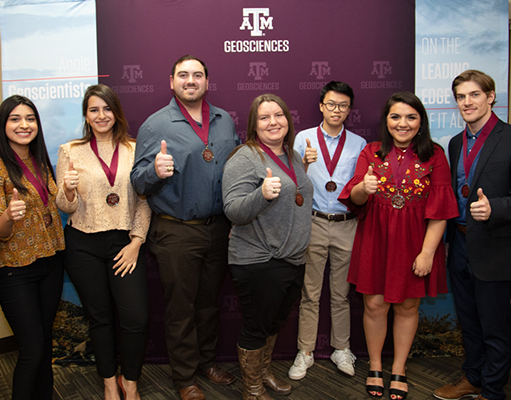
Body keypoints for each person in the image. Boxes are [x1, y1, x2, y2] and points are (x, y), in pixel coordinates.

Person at [130, 55, 240, 400]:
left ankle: (207, 361)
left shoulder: (224, 121)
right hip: (176, 230)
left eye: (197, 75)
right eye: (183, 75)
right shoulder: (155, 125)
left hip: (218, 228)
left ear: (207, 81)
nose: (190, 80)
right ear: (172, 81)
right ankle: (183, 377)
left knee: (209, 303)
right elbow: (138, 182)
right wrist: (154, 171)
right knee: (180, 308)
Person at [338, 92, 458, 400]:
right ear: (386, 121)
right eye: (395, 117)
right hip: (376, 239)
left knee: (407, 305)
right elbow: (355, 200)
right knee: (375, 304)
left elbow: (442, 210)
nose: (402, 124)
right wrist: (364, 188)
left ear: (421, 122)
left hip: (416, 242)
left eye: (410, 117)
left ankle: (399, 369)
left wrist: (428, 252)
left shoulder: (435, 155)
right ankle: (376, 366)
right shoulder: (371, 151)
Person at [56, 84, 151, 400]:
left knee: (135, 317)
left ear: (116, 112)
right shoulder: (70, 150)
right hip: (83, 244)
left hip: (125, 243)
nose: (101, 115)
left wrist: (137, 241)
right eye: (94, 109)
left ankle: (131, 381)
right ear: (86, 114)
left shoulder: (135, 149)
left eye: (107, 108)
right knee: (99, 317)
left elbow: (144, 201)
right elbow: (66, 206)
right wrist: (68, 190)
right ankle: (110, 382)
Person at [223, 93, 314, 400]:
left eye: (278, 115)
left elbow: (295, 197)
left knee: (273, 323)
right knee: (256, 326)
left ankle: (262, 373)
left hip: (292, 258)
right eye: (264, 117)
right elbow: (233, 210)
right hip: (258, 259)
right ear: (253, 124)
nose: (273, 122)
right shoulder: (244, 157)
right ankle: (252, 389)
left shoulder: (293, 156)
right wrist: (261, 193)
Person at [0, 95, 65, 400]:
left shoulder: (40, 162)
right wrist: (7, 216)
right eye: (15, 119)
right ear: (3, 126)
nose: (24, 125)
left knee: (45, 341)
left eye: (30, 118)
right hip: (16, 271)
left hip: (51, 262)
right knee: (31, 350)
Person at [433, 70, 511, 400]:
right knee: (469, 321)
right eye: (461, 97)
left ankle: (493, 391)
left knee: (494, 326)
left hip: (495, 247)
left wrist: (497, 208)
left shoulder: (509, 138)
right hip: (461, 244)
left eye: (474, 95)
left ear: (491, 97)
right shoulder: (454, 143)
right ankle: (474, 377)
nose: (467, 102)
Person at [289, 81, 366, 380]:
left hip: (347, 223)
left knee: (341, 294)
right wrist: (304, 165)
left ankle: (341, 348)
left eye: (343, 106)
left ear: (349, 110)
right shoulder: (303, 139)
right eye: (331, 104)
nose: (336, 110)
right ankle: (305, 351)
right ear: (321, 105)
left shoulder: (359, 144)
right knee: (309, 293)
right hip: (314, 222)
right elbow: (293, 185)